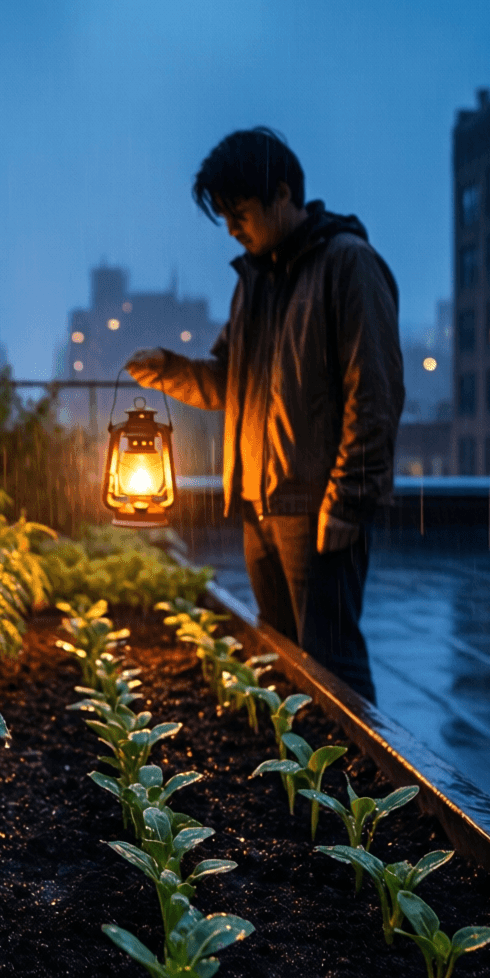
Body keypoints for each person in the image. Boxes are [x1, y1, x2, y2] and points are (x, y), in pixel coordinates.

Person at [127, 128, 403, 702]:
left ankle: (359, 790)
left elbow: (373, 389)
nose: (231, 227)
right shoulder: (255, 281)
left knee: (332, 669)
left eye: (240, 211)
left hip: (318, 508)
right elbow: (231, 382)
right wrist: (170, 369)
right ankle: (300, 786)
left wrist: (350, 497)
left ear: (282, 194)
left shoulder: (347, 265)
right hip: (259, 504)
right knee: (282, 660)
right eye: (224, 215)